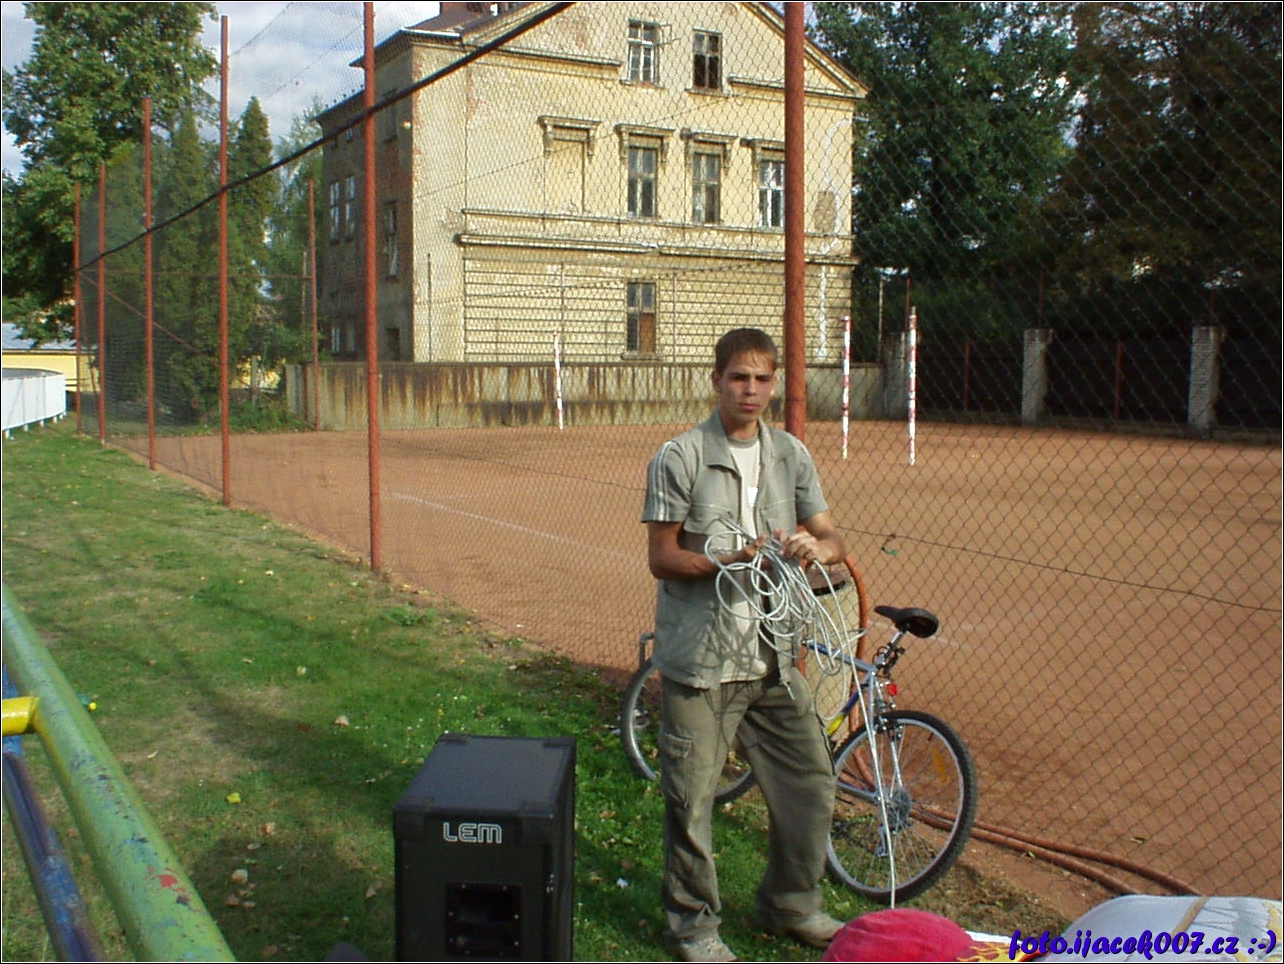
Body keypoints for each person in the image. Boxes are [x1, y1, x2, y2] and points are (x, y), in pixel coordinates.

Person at [641, 327, 848, 963]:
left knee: (810, 783)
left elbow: (834, 537)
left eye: (762, 378)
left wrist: (819, 549)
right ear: (717, 381)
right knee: (691, 800)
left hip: (773, 660)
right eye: (738, 377)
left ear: (775, 383)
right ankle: (693, 929)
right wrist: (724, 560)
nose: (750, 390)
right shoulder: (680, 457)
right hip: (703, 663)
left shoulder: (790, 454)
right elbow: (662, 557)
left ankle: (791, 904)